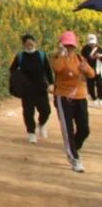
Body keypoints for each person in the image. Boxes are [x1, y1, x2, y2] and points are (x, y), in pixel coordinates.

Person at [51, 30, 95, 172]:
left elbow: (92, 74)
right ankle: (74, 159)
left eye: (71, 45)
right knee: (67, 130)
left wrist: (86, 69)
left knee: (84, 129)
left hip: (80, 97)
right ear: (62, 45)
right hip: (64, 97)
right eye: (66, 45)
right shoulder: (58, 57)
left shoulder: (79, 58)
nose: (69, 48)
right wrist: (63, 54)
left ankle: (73, 147)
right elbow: (57, 68)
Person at [9, 34, 54, 143]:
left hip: (41, 88)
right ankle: (31, 132)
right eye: (27, 43)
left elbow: (48, 71)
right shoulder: (20, 56)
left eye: (31, 43)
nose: (29, 45)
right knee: (28, 113)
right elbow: (12, 70)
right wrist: (18, 82)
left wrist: (51, 84)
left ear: (35, 43)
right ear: (23, 44)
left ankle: (42, 124)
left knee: (46, 111)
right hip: (27, 90)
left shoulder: (41, 55)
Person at [81, 33, 102, 107]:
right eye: (91, 43)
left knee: (100, 84)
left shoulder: (99, 49)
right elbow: (86, 57)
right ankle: (94, 98)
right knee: (90, 85)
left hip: (98, 69)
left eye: (93, 43)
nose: (92, 45)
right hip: (89, 70)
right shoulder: (85, 48)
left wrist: (100, 56)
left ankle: (100, 98)